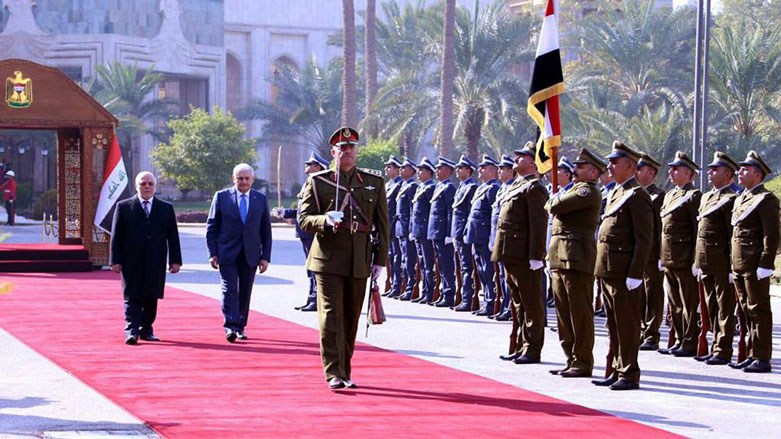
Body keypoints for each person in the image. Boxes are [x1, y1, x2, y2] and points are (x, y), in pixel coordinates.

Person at [298, 126, 390, 389]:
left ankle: (345, 369)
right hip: (327, 257)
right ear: (333, 152)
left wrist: (380, 260)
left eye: (351, 147)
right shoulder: (319, 182)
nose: (347, 151)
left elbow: (383, 225)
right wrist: (324, 219)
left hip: (359, 258)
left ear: (356, 152)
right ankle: (333, 372)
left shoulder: (374, 183)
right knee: (330, 315)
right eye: (342, 148)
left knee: (350, 316)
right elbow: (304, 220)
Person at [591, 141, 652, 391]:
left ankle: (629, 372)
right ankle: (617, 367)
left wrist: (636, 273)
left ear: (629, 166)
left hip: (624, 271)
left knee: (627, 324)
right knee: (613, 323)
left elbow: (644, 238)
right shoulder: (616, 192)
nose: (609, 166)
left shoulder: (637, 196)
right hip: (608, 269)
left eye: (614, 163)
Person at [545, 148, 604, 377]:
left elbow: (553, 206)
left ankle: (582, 361)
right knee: (563, 312)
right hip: (561, 256)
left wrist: (556, 198)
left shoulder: (587, 191)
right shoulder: (573, 189)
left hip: (577, 257)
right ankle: (570, 358)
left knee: (579, 312)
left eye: (580, 167)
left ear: (593, 172)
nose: (575, 170)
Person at [109, 172, 182, 345]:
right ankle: (131, 331)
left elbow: (173, 236)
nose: (147, 186)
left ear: (154, 186)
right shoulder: (124, 206)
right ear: (137, 186)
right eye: (143, 183)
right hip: (131, 261)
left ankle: (146, 329)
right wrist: (115, 260)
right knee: (132, 296)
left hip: (155, 261)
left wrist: (175, 260)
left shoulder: (166, 208)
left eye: (150, 183)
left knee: (151, 296)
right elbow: (116, 236)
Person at [492, 143, 548, 364]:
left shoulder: (535, 188)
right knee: (518, 303)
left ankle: (532, 349)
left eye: (522, 156)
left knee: (531, 303)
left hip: (524, 255)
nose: (517, 158)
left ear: (533, 162)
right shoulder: (517, 185)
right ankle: (520, 345)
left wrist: (536, 255)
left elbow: (538, 223)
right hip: (510, 252)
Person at [206, 163, 272, 342]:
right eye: (239, 178)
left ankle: (241, 326)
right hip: (227, 252)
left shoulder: (260, 199)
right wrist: (212, 253)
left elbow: (266, 230)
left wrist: (265, 257)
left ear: (252, 179)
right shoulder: (221, 197)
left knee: (245, 291)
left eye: (246, 178)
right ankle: (230, 326)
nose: (243, 181)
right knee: (229, 289)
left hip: (250, 254)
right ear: (233, 179)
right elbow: (211, 227)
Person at [729, 151, 779, 373]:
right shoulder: (743, 198)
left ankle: (762, 356)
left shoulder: (766, 200)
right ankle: (751, 353)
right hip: (740, 264)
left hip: (754, 264)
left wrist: (766, 263)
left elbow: (772, 234)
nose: (740, 172)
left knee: (759, 310)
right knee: (745, 311)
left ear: (758, 175)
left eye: (745, 169)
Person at [694, 152, 739, 365]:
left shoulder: (731, 199)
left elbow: (732, 235)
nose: (710, 173)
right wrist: (696, 261)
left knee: (724, 306)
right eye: (710, 169)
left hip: (722, 260)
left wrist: (731, 266)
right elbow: (700, 233)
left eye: (715, 170)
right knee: (710, 305)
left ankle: (723, 348)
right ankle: (713, 344)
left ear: (728, 174)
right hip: (705, 261)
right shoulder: (707, 197)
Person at [272, 152, 330, 312]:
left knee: (315, 266)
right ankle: (311, 297)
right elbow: (302, 210)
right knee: (309, 267)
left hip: (313, 231)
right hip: (304, 232)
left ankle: (316, 299)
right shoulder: (309, 183)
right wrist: (285, 213)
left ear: (318, 167)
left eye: (310, 164)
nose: (307, 166)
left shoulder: (320, 184)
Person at [657, 151, 702, 358]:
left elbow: (696, 230)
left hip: (684, 257)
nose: (672, 172)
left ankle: (690, 341)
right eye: (672, 169)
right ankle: (680, 337)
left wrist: (695, 259)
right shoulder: (671, 195)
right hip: (669, 257)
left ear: (688, 174)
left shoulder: (694, 197)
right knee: (674, 302)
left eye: (676, 169)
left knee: (688, 303)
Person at [635, 154, 666, 351]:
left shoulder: (659, 196)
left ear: (651, 173)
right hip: (636, 253)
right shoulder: (634, 194)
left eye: (640, 170)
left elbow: (662, 229)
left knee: (652, 294)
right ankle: (639, 331)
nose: (636, 173)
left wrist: (662, 255)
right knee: (638, 294)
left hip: (653, 254)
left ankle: (652, 334)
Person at [464, 155, 501, 316]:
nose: (479, 170)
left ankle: (492, 301)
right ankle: (487, 300)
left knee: (488, 270)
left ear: (493, 170)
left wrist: (492, 238)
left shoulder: (493, 189)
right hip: (477, 235)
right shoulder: (482, 188)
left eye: (483, 168)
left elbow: (494, 215)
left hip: (485, 236)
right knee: (481, 269)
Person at [428, 156, 457, 307]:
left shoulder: (449, 188)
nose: (437, 171)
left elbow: (449, 212)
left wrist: (448, 234)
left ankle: (449, 294)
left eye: (440, 168)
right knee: (440, 265)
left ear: (448, 171)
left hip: (442, 232)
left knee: (446, 265)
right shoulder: (439, 187)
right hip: (436, 232)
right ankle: (444, 292)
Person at [451, 155, 479, 311]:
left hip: (464, 233)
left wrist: (465, 233)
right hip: (458, 232)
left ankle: (468, 299)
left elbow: (470, 214)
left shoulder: (471, 187)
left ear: (468, 170)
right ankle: (464, 298)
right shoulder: (462, 186)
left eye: (460, 168)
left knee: (468, 268)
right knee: (462, 267)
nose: (457, 170)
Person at [489, 155, 515, 321]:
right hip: (498, 235)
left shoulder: (513, 188)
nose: (499, 171)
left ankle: (509, 306)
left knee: (508, 277)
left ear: (511, 171)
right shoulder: (502, 188)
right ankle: (505, 305)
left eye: (502, 169)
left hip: (508, 237)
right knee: (500, 276)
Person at [410, 157, 437, 304]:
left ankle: (430, 292)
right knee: (422, 263)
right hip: (418, 231)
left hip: (426, 231)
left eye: (421, 170)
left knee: (428, 264)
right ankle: (425, 291)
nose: (418, 173)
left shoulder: (430, 189)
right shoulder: (421, 188)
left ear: (428, 172)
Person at [394, 157, 419, 300]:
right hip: (400, 228)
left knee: (409, 259)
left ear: (411, 171)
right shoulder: (403, 185)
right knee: (403, 259)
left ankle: (411, 288)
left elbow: (411, 211)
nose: (401, 170)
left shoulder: (412, 187)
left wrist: (410, 229)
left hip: (407, 228)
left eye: (404, 168)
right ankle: (405, 287)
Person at [383, 155, 404, 297]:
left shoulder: (400, 185)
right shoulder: (388, 185)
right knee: (390, 257)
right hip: (387, 225)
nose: (386, 169)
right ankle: (393, 284)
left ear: (397, 170)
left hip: (395, 225)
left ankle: (398, 285)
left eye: (390, 167)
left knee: (398, 257)